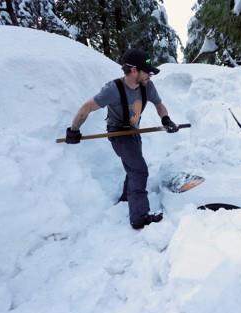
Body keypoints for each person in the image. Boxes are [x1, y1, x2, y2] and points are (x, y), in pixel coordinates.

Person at [64, 49, 179, 230]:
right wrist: (73, 130)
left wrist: (166, 119)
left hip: (133, 132)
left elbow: (159, 104)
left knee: (133, 167)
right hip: (118, 134)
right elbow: (87, 108)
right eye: (146, 71)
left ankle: (127, 196)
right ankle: (139, 216)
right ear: (133, 71)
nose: (150, 75)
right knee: (139, 170)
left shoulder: (147, 85)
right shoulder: (113, 90)